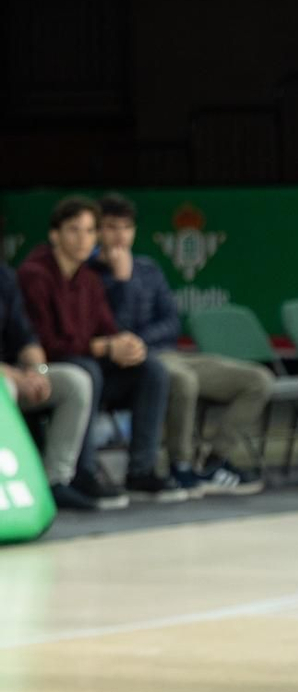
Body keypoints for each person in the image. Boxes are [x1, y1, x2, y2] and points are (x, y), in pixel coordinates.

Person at [93, 194, 270, 495]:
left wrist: (141, 341)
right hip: (134, 366)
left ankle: (215, 461)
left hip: (166, 353)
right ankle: (181, 466)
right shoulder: (89, 277)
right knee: (183, 381)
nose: (120, 235)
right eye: (111, 227)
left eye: (126, 227)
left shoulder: (148, 268)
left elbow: (172, 321)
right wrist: (121, 281)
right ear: (96, 232)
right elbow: (113, 331)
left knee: (257, 380)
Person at [16, 197, 178, 501]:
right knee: (87, 370)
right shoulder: (34, 274)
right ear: (55, 234)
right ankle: (83, 473)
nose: (83, 239)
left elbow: (107, 330)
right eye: (74, 230)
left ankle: (141, 472)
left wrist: (123, 344)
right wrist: (103, 346)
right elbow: (45, 342)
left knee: (151, 369)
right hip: (46, 371)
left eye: (90, 231)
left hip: (87, 367)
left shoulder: (88, 278)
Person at [0, 260, 101, 512]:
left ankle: (55, 481)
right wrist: (15, 377)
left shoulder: (4, 276)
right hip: (8, 380)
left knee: (75, 381)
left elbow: (26, 336)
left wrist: (37, 372)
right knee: (5, 390)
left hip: (16, 374)